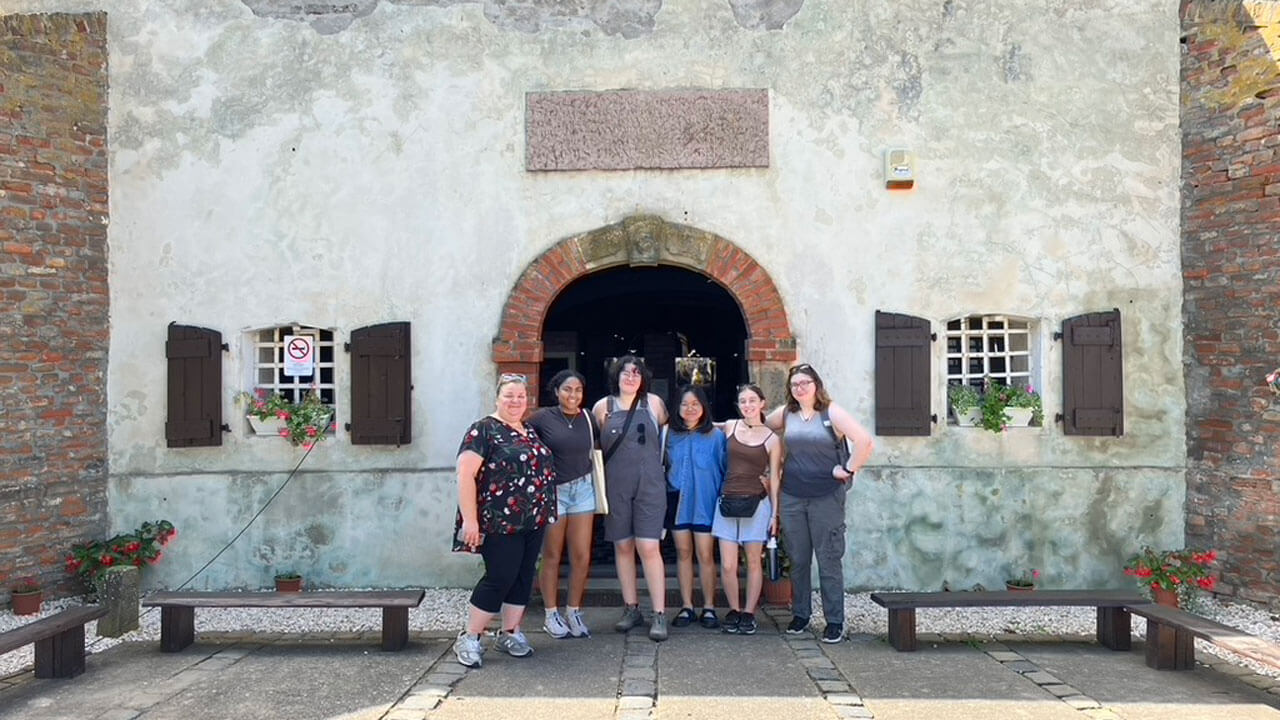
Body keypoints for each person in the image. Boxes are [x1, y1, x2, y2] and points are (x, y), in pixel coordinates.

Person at [452, 373, 556, 668]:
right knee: (500, 577)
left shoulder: (527, 430)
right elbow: (465, 475)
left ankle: (510, 632)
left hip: (532, 519)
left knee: (523, 576)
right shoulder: (483, 430)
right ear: (497, 397)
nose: (515, 401)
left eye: (521, 396)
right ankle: (470, 636)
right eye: (509, 396)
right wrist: (470, 522)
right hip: (499, 521)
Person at [765, 363, 873, 644]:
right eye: (795, 384)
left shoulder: (831, 413)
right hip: (792, 496)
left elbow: (864, 441)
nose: (800, 388)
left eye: (805, 383)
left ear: (816, 385)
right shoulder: (787, 414)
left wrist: (848, 469)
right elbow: (761, 426)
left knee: (828, 559)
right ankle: (801, 615)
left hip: (826, 496)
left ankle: (834, 620)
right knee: (799, 560)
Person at [591, 356, 670, 642]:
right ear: (616, 376)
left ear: (643, 377)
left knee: (649, 547)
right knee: (623, 547)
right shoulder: (603, 407)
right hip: (617, 488)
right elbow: (595, 449)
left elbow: (668, 438)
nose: (631, 377)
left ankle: (659, 613)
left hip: (650, 486)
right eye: (625, 372)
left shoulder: (654, 404)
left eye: (636, 373)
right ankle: (631, 607)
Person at [527, 370, 595, 639]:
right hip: (554, 491)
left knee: (581, 554)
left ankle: (573, 611)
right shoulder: (542, 418)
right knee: (552, 554)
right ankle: (550, 613)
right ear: (556, 391)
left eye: (578, 390)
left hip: (583, 489)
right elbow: (524, 444)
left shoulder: (588, 417)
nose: (573, 395)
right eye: (567, 389)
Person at [712, 383, 781, 635]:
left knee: (753, 561)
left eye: (753, 400)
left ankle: (749, 612)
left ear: (762, 403)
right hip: (727, 501)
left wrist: (775, 513)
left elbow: (774, 478)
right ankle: (734, 609)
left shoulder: (772, 439)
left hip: (757, 504)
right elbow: (702, 426)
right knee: (728, 565)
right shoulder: (730, 426)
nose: (748, 406)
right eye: (743, 401)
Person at [665, 385, 726, 630]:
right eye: (684, 404)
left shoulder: (716, 436)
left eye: (695, 404)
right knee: (683, 553)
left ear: (703, 407)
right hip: (677, 502)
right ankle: (687, 605)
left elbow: (725, 469)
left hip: (706, 503)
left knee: (705, 554)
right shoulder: (668, 435)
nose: (690, 409)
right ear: (677, 408)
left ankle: (709, 606)